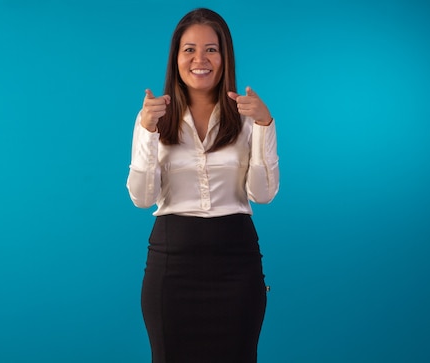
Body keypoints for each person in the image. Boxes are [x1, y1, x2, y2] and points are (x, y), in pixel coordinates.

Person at [126, 7, 280, 363]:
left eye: (211, 49)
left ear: (225, 57)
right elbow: (142, 198)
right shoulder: (152, 117)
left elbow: (263, 194)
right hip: (172, 267)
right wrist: (148, 131)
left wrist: (264, 125)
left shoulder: (247, 117)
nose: (200, 59)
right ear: (176, 58)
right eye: (189, 49)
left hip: (236, 267)